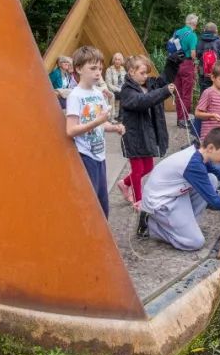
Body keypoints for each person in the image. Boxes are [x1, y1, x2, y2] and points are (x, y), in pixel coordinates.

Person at [140, 128, 220, 250]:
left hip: (174, 194)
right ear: (210, 148)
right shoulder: (194, 164)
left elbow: (219, 173)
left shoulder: (199, 154)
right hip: (160, 202)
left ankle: (185, 226)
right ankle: (151, 225)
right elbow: (214, 200)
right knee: (196, 242)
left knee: (212, 179)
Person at [117, 56, 176, 232]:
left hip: (145, 134)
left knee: (148, 167)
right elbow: (142, 102)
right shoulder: (127, 91)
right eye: (142, 73)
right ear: (131, 72)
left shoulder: (147, 84)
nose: (145, 76)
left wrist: (173, 63)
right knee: (137, 170)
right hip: (132, 135)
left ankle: (124, 183)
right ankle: (138, 202)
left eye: (146, 73)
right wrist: (164, 92)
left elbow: (162, 81)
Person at [65, 46, 125, 218]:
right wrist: (97, 121)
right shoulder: (75, 96)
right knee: (90, 204)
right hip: (86, 156)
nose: (98, 72)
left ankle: (102, 233)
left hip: (100, 155)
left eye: (100, 68)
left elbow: (101, 124)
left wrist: (114, 127)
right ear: (78, 69)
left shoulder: (98, 94)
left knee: (103, 203)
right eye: (92, 68)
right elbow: (70, 130)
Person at [165, 14, 199, 128]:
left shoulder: (177, 32)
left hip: (175, 64)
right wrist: (195, 61)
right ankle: (184, 119)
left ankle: (179, 119)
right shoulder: (192, 35)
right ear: (194, 24)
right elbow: (193, 53)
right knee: (186, 93)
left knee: (178, 93)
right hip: (187, 65)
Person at [197, 22, 220, 92]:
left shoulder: (199, 42)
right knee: (219, 92)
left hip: (203, 74)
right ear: (216, 31)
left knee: (204, 92)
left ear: (204, 30)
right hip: (218, 73)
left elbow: (198, 55)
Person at [105, 52, 128, 120]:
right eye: (116, 59)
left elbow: (126, 81)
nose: (117, 61)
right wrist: (119, 90)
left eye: (119, 59)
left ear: (121, 61)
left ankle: (123, 115)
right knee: (122, 95)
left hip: (122, 89)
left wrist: (124, 88)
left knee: (129, 93)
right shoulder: (109, 70)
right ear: (113, 60)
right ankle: (120, 115)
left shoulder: (123, 69)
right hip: (113, 90)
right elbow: (108, 84)